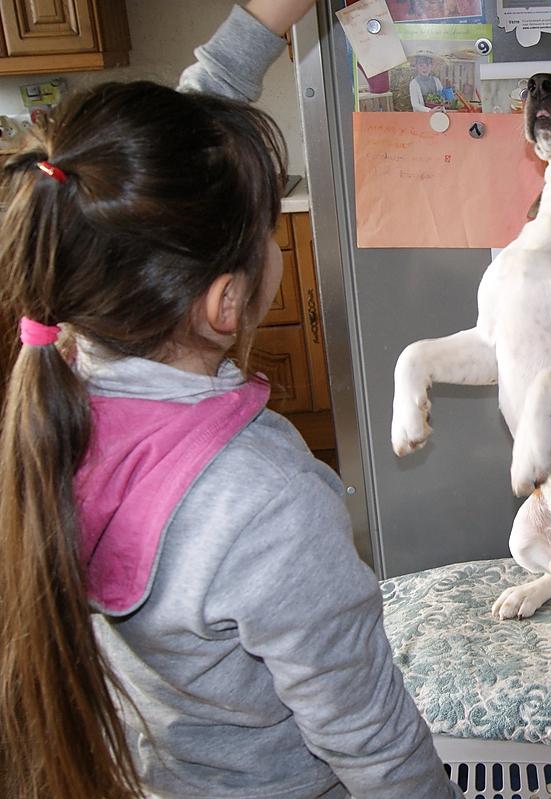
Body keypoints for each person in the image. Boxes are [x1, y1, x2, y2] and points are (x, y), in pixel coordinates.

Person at [0, 3, 461, 798]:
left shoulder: (61, 378)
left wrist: (260, 21)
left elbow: (170, 156)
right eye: (269, 232)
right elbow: (375, 745)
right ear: (226, 304)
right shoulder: (267, 501)